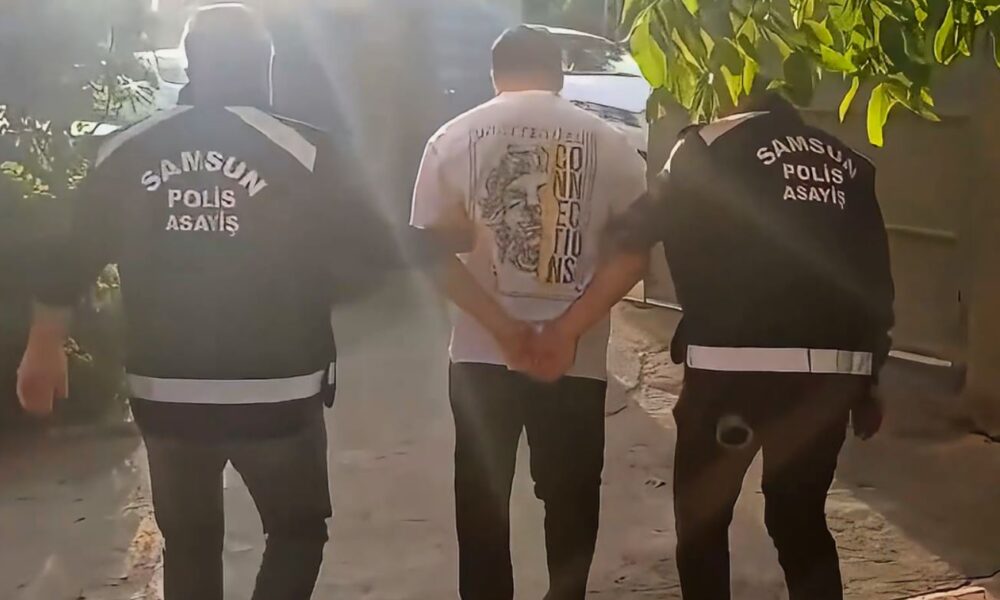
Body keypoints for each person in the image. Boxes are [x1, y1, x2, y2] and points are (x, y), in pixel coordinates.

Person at [17, 4, 395, 599]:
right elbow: (374, 247)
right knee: (296, 531)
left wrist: (42, 348)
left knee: (190, 542)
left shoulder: (125, 150)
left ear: (193, 63)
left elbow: (71, 256)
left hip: (165, 390)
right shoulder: (306, 150)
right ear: (264, 65)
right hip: (277, 389)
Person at [531, 90, 894, 600]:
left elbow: (636, 229)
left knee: (702, 519)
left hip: (732, 369)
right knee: (799, 516)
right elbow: (875, 278)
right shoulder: (850, 165)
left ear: (735, 107)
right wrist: (869, 380)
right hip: (831, 375)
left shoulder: (706, 145)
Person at [410, 25, 647, 600]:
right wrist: (564, 331)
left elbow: (428, 253)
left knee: (482, 497)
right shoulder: (612, 143)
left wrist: (505, 330)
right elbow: (634, 255)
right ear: (559, 72)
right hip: (576, 357)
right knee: (570, 498)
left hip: (480, 354)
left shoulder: (452, 137)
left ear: (493, 74)